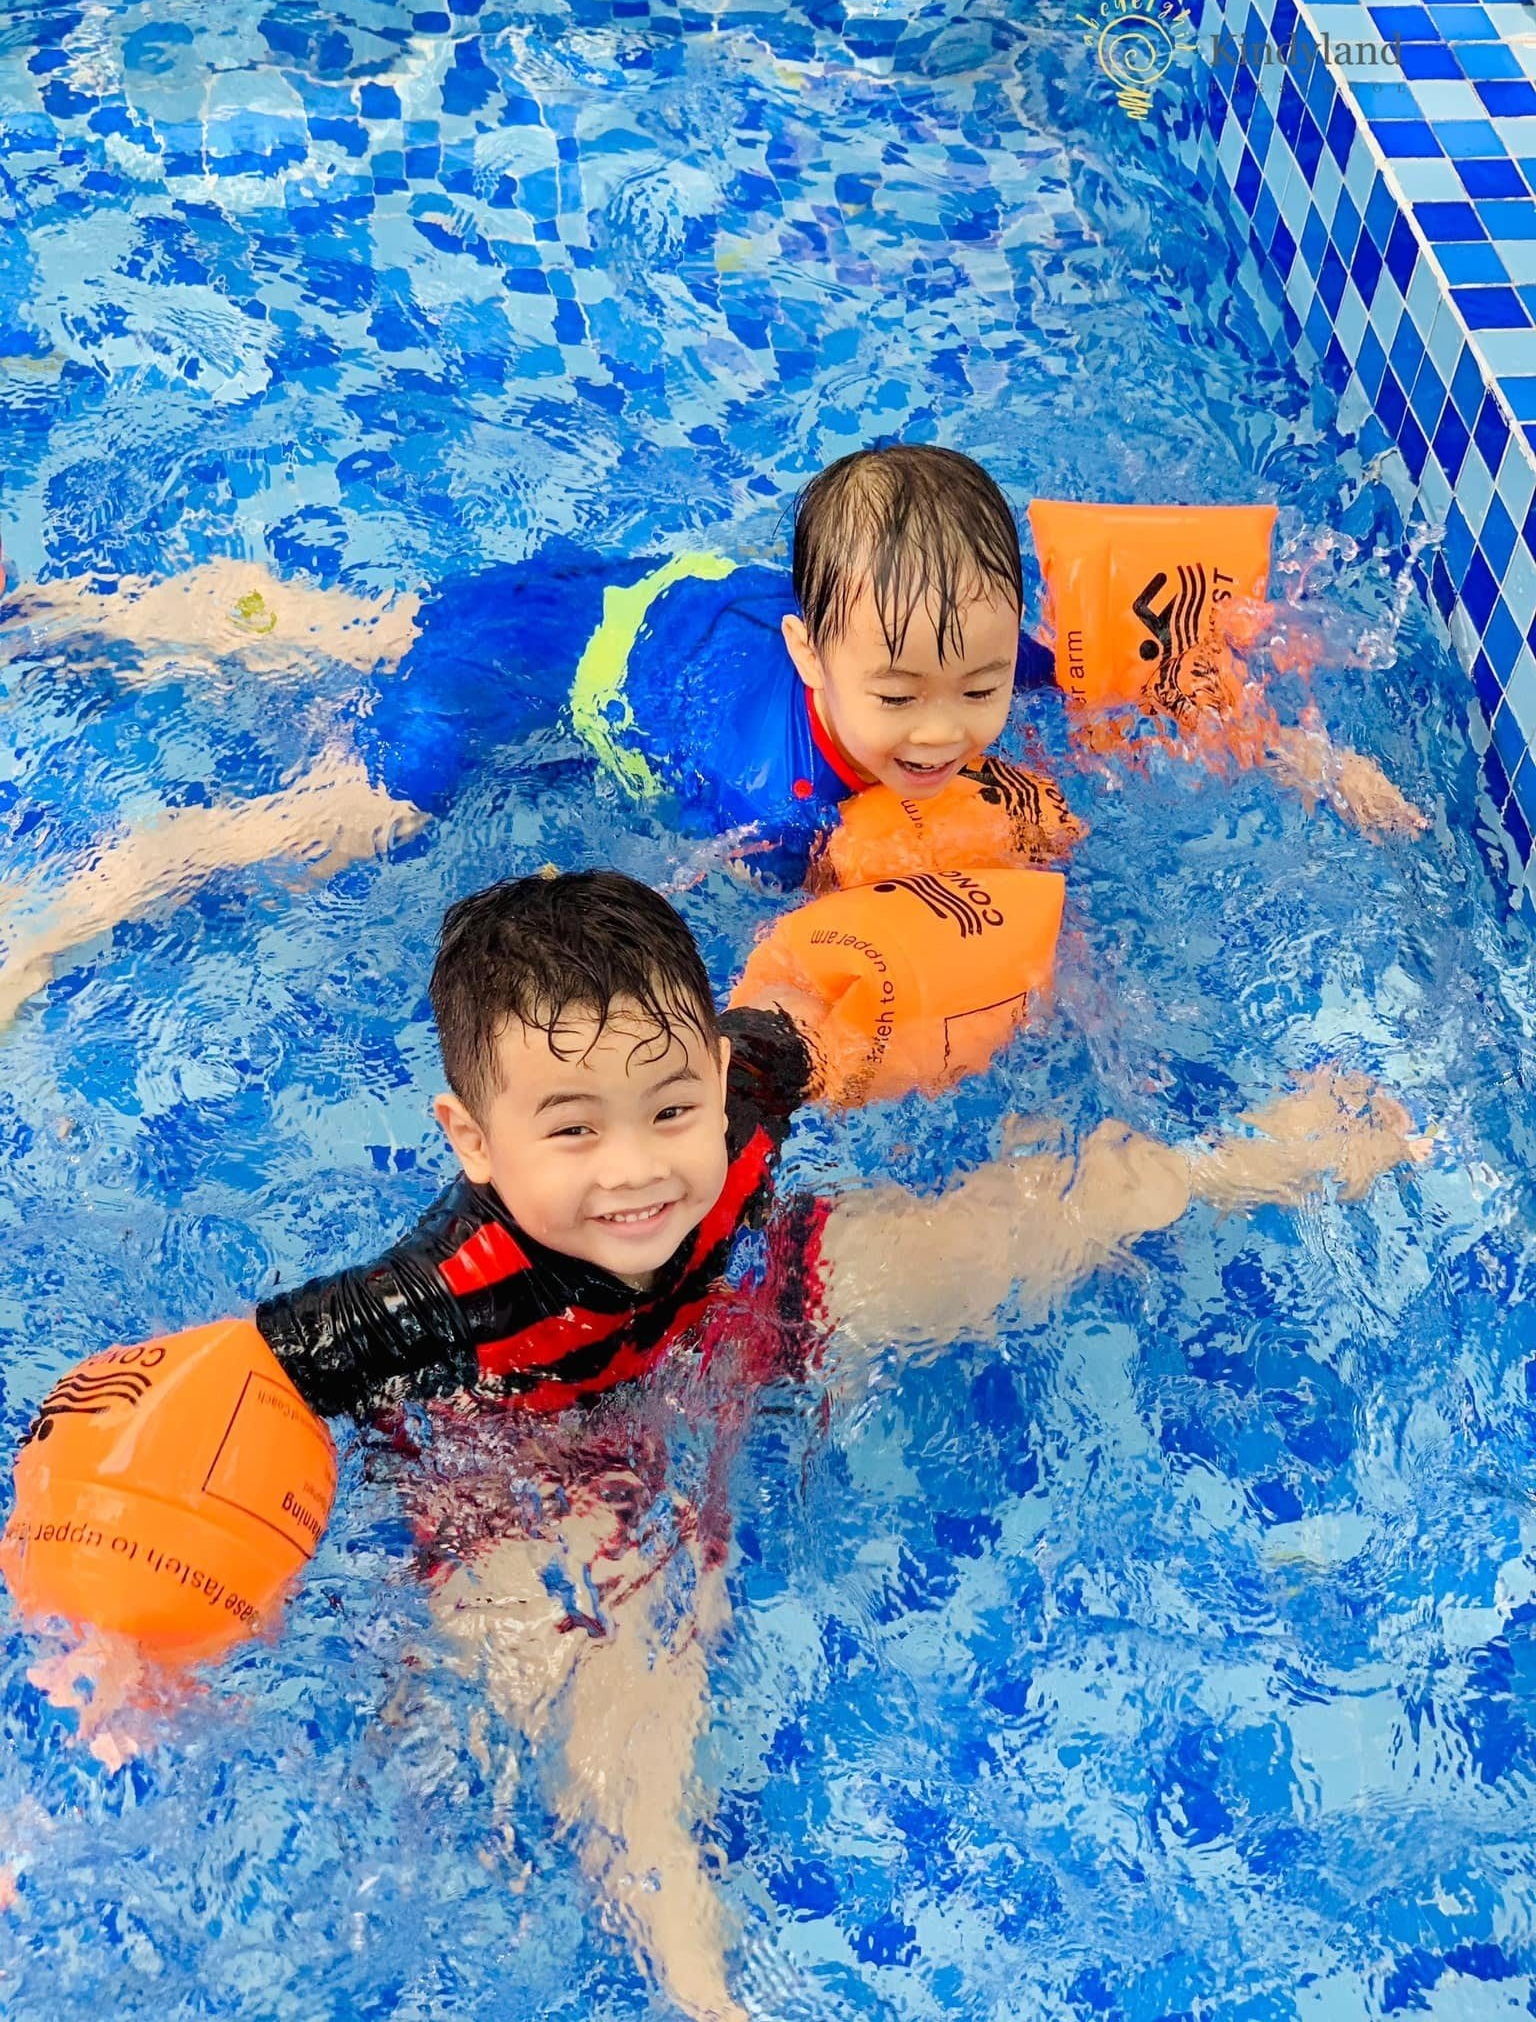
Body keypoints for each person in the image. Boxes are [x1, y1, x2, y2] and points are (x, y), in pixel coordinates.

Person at [252, 868, 1421, 2022]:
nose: (636, 1168)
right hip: (532, 1449)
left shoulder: (754, 1085)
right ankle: (705, 1988)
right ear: (472, 1139)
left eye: (671, 1110)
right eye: (572, 1129)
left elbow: (833, 1004)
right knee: (629, 1685)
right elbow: (244, 1377)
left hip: (731, 1308)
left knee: (997, 1225)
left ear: (719, 1073)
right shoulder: (429, 1297)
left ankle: (1244, 1159)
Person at [0, 447, 1424, 1027]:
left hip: (627, 597)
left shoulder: (958, 646)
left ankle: (73, 612)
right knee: (356, 813)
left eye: (980, 689)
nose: (944, 732)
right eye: (898, 698)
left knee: (360, 627)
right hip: (537, 679)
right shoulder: (777, 788)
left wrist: (1314, 759)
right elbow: (793, 940)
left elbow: (1142, 696)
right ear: (813, 654)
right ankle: (90, 895)